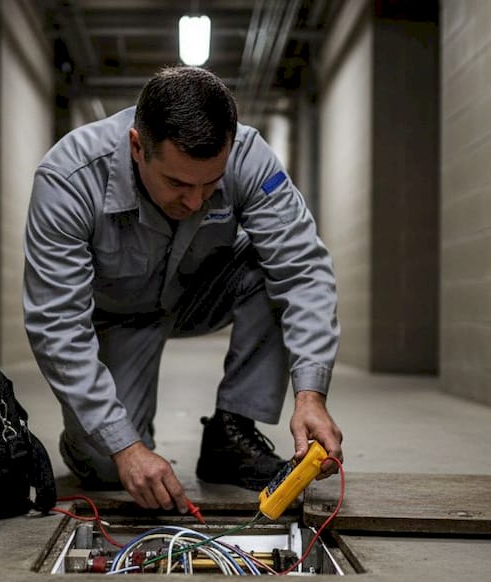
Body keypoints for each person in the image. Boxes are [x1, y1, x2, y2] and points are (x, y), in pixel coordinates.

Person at [22, 65, 342, 514]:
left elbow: (302, 268)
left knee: (268, 266)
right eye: (177, 183)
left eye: (211, 184)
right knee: (108, 466)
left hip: (201, 293)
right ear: (137, 146)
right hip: (117, 315)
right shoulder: (69, 179)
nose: (195, 202)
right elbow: (56, 325)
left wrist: (311, 395)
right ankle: (102, 444)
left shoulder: (249, 157)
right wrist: (127, 448)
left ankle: (231, 432)